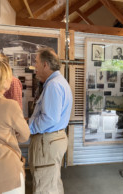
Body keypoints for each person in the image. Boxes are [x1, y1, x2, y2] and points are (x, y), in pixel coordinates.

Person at [28, 48, 73, 193]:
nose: (35, 67)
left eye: (36, 62)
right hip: (51, 140)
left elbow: (50, 119)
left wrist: (28, 127)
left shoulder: (53, 84)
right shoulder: (57, 82)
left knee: (44, 186)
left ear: (45, 65)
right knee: (51, 181)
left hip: (47, 142)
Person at [0, 58, 30, 194]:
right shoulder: (10, 106)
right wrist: (11, 138)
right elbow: (25, 135)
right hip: (8, 174)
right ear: (2, 80)